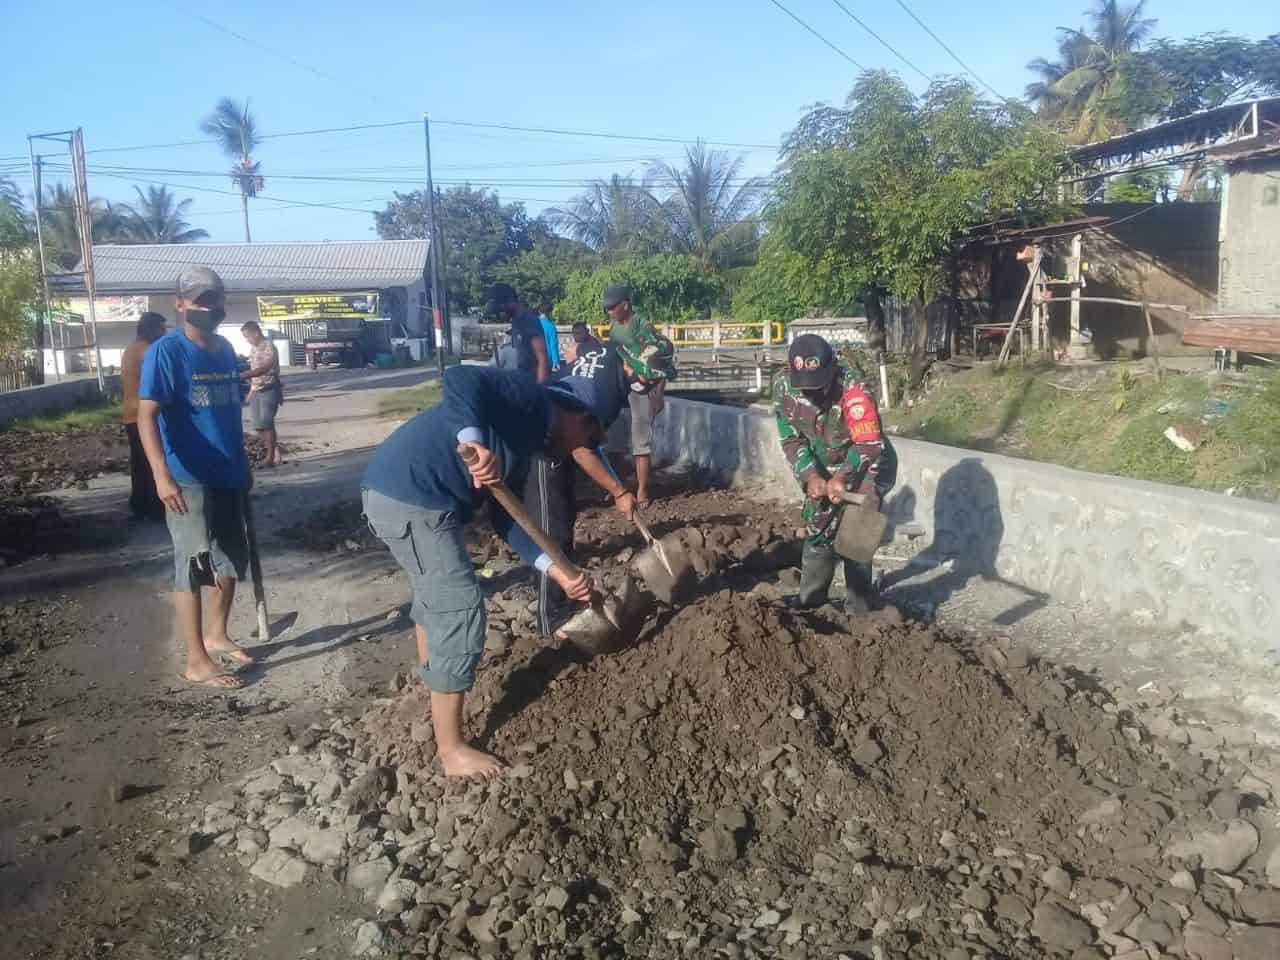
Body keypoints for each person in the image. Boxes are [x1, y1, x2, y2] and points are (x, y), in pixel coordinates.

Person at [361, 363, 635, 778]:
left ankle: (430, 684)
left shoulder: (530, 443)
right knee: (460, 606)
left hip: (415, 497)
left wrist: (556, 571)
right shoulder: (529, 397)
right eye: (591, 440)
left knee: (436, 595)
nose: (583, 451)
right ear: (580, 417)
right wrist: (474, 442)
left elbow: (508, 520)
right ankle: (451, 750)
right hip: (411, 495)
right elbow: (459, 379)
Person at [138, 266, 256, 688]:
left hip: (228, 473)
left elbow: (226, 415)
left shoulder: (224, 348)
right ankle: (195, 659)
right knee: (193, 564)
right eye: (199, 299)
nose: (208, 306)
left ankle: (217, 634)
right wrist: (160, 475)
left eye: (214, 298)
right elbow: (146, 415)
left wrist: (243, 465)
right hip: (187, 476)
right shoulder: (166, 352)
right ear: (181, 303)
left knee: (231, 558)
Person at [773, 334, 897, 614]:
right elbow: (791, 440)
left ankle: (859, 607)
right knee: (817, 524)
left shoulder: (854, 389)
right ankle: (812, 601)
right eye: (805, 389)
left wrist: (841, 478)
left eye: (817, 387)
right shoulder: (783, 386)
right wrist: (811, 477)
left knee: (858, 533)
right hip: (822, 463)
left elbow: (868, 444)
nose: (811, 395)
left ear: (832, 371)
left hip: (867, 464)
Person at [603, 284, 674, 506]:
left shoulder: (643, 327)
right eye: (608, 308)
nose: (609, 311)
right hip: (620, 385)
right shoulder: (614, 327)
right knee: (613, 437)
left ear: (625, 305)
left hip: (643, 388)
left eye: (613, 307)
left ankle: (643, 491)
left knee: (640, 439)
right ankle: (620, 487)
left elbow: (660, 361)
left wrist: (659, 394)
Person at [122, 312, 168, 522]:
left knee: (139, 464)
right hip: (144, 415)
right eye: (161, 329)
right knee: (151, 462)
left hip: (132, 414)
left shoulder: (131, 348)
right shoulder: (147, 351)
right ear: (151, 329)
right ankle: (154, 507)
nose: (164, 333)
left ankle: (139, 505)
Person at [239, 321, 284, 467]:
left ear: (256, 333)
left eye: (248, 336)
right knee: (258, 426)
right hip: (257, 389)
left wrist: (242, 375)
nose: (247, 340)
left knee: (267, 422)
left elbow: (265, 368)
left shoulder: (269, 346)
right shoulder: (253, 349)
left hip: (269, 388)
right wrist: (251, 391)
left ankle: (270, 458)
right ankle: (275, 451)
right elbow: (255, 374)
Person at [489, 283, 550, 382]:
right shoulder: (515, 321)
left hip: (532, 383)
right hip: (521, 381)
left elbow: (542, 358)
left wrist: (541, 390)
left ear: (510, 301)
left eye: (501, 307)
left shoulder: (529, 321)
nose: (501, 312)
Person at [537, 305, 562, 371]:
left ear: (539, 311)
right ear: (549, 312)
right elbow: (553, 345)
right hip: (547, 360)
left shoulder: (533, 324)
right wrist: (556, 363)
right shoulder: (551, 326)